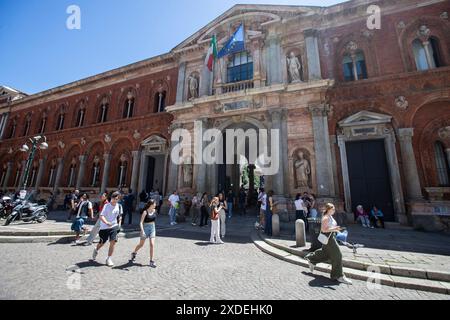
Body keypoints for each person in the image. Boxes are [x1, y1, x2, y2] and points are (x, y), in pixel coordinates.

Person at [305, 203, 353, 285]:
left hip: (332, 237)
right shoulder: (326, 217)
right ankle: (338, 276)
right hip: (329, 239)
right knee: (338, 255)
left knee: (326, 253)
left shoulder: (330, 216)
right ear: (329, 209)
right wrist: (335, 229)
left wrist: (338, 230)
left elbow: (330, 227)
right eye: (333, 209)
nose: (334, 210)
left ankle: (311, 259)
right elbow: (323, 230)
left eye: (334, 209)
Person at [91, 192, 122, 267]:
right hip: (104, 227)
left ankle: (109, 258)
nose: (114, 200)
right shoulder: (106, 206)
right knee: (102, 242)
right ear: (111, 198)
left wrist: (119, 225)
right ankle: (96, 249)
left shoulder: (119, 206)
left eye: (116, 199)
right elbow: (101, 216)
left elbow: (120, 216)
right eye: (113, 198)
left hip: (114, 226)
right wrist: (107, 222)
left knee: (113, 241)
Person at [130, 199, 158, 268]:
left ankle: (151, 261)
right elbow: (141, 222)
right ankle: (134, 252)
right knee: (141, 244)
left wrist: (153, 228)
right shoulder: (145, 212)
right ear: (151, 204)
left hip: (152, 228)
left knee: (152, 244)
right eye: (154, 203)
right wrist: (142, 231)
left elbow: (153, 221)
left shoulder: (155, 211)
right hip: (145, 228)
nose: (155, 204)